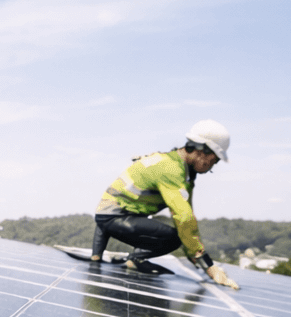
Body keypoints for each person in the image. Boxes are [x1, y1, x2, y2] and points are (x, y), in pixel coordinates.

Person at [89, 119, 240, 290]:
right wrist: (209, 267)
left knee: (173, 228)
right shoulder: (172, 170)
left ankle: (134, 259)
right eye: (215, 160)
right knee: (176, 238)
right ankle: (135, 260)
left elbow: (186, 214)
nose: (212, 166)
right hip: (115, 218)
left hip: (109, 216)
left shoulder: (175, 165)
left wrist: (96, 257)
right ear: (203, 152)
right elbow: (184, 218)